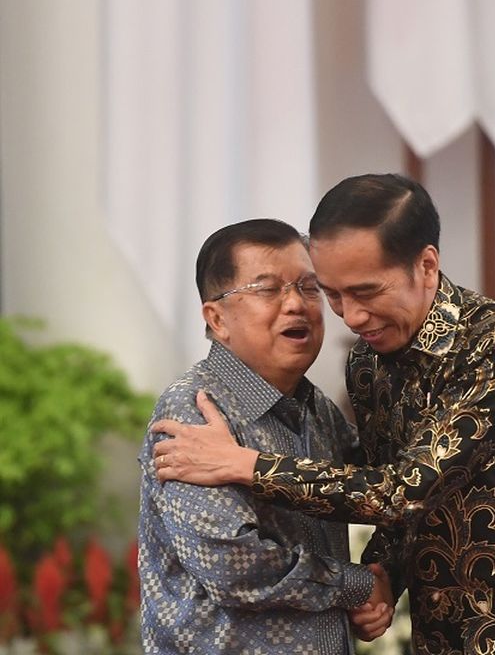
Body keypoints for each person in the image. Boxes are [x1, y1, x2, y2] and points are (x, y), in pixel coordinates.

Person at [152, 175, 495, 654]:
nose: (350, 316)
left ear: (426, 266)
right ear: (214, 317)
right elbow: (385, 492)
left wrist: (247, 466)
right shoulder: (365, 363)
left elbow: (404, 491)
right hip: (439, 636)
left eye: (365, 291)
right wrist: (381, 576)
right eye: (331, 293)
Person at [138, 218, 394, 654]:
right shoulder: (194, 408)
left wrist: (384, 579)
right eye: (267, 289)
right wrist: (355, 585)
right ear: (216, 318)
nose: (296, 304)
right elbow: (233, 565)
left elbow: (383, 490)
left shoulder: (317, 408)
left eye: (309, 287)